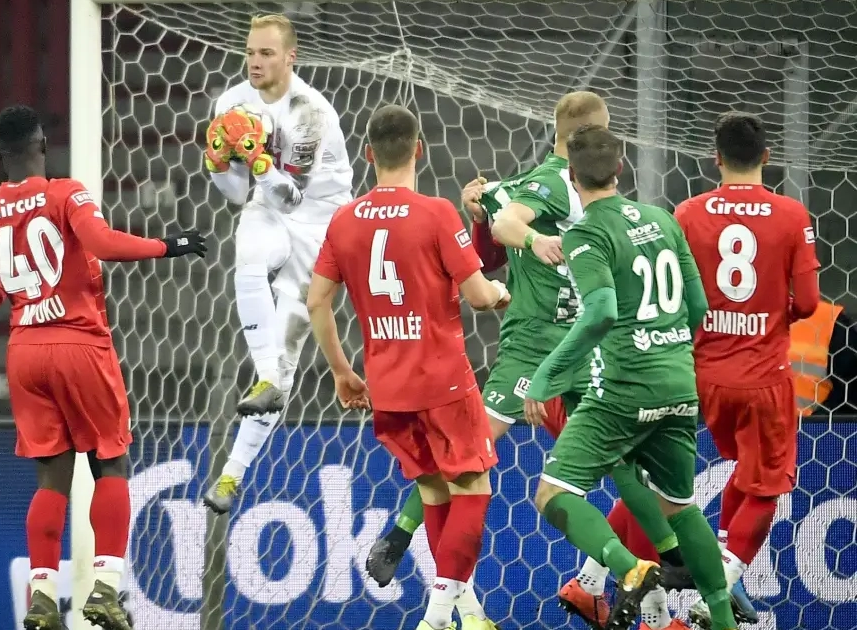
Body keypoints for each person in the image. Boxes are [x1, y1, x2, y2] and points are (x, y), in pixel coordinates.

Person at [368, 92, 692, 630]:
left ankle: (665, 567)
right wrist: (518, 230)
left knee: (612, 456)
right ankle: (403, 538)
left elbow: (490, 250)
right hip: (539, 345)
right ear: (585, 136)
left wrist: (482, 212)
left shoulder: (554, 185)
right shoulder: (551, 183)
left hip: (577, 344)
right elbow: (502, 237)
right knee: (479, 448)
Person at [0, 105, 207, 630]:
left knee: (50, 478)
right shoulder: (65, 193)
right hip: (78, 344)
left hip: (25, 352)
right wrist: (169, 245)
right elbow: (102, 244)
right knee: (110, 463)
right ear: (42, 144)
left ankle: (41, 598)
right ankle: (104, 590)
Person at [524, 124, 739, 630]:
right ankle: (723, 619)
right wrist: (667, 347)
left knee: (553, 494)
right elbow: (698, 305)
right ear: (620, 168)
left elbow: (600, 312)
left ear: (571, 176)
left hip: (622, 389)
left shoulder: (585, 234)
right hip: (679, 383)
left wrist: (546, 376)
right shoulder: (663, 219)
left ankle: (629, 568)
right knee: (680, 507)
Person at [306, 103, 510, 630]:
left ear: (368, 154)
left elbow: (317, 301)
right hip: (442, 380)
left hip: (388, 387)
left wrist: (341, 371)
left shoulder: (343, 219)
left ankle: (467, 614)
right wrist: (499, 292)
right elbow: (478, 295)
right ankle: (437, 617)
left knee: (435, 493)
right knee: (474, 490)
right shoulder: (436, 212)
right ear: (419, 149)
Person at [201, 13, 355, 513]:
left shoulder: (311, 112)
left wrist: (259, 160)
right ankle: (264, 376)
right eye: (250, 52)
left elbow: (292, 196)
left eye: (266, 53)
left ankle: (230, 476)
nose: (255, 62)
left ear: (291, 57)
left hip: (321, 222)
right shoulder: (231, 103)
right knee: (247, 255)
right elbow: (236, 193)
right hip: (268, 204)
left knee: (287, 349)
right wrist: (218, 162)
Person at [675, 111, 821, 628]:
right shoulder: (791, 214)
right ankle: (716, 591)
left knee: (737, 469)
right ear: (767, 157)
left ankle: (699, 573)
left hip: (705, 376)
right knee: (765, 485)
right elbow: (809, 302)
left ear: (715, 158)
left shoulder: (687, 213)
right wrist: (774, 312)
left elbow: (677, 294)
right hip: (763, 376)